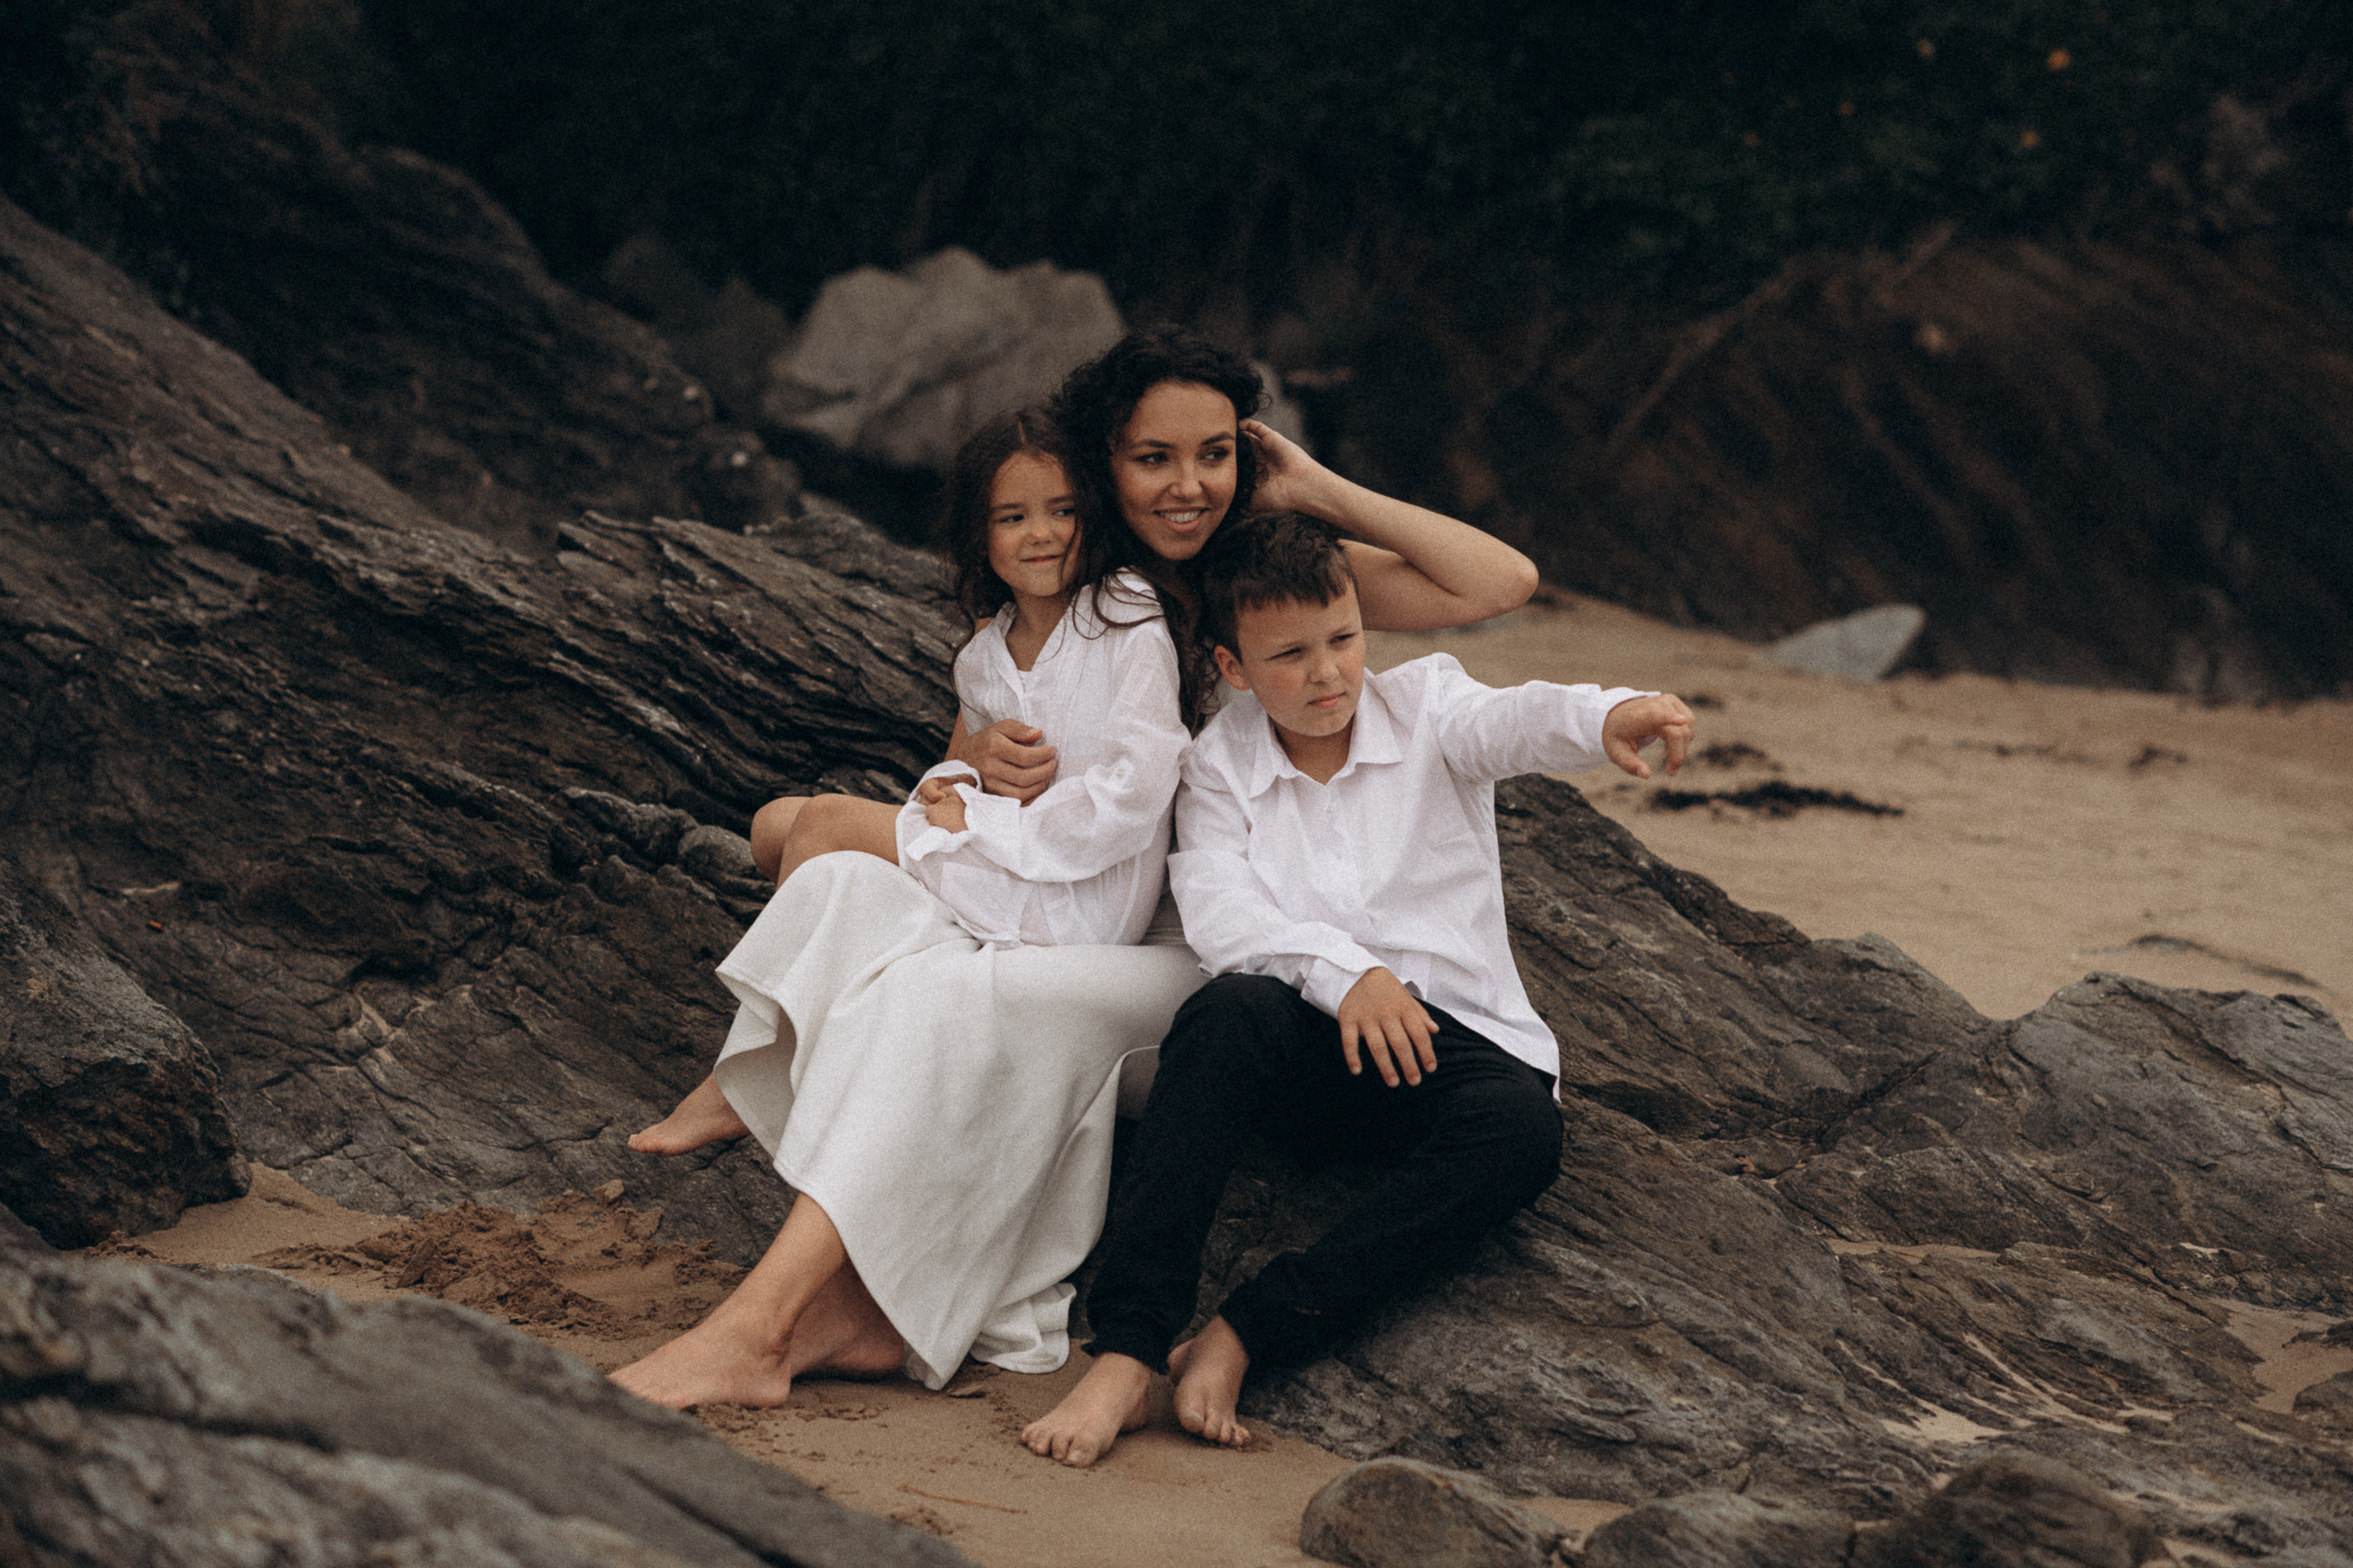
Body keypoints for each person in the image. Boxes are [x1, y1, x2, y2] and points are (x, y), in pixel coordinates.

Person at [614, 327, 1541, 1411]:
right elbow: (985, 734)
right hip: (1076, 897)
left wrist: (1314, 484)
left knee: (964, 994)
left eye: (1214, 453)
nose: (1188, 485)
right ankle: (851, 1302)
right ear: (1103, 461)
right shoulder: (1068, 579)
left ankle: (756, 1328)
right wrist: (976, 758)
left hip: (1209, 944)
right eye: (1154, 457)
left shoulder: (1269, 572)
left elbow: (1500, 579)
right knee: (842, 883)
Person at [1020, 512, 1696, 1466]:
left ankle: (1246, 1332)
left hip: (1447, 1051)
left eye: (1342, 638)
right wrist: (1350, 975)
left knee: (1522, 1128)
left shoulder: (1426, 708)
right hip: (1306, 1050)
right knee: (1223, 1010)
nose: (1328, 671)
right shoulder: (1216, 767)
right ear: (1236, 665)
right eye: (1289, 654)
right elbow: (1222, 915)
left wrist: (1608, 714)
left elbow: (1515, 717)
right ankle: (1127, 1350)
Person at [609, 407, 1189, 1406]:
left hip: (1083, 906)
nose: (1043, 533)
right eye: (1014, 517)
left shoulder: (1128, 617)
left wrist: (972, 828)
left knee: (818, 823)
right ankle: (757, 1058)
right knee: (825, 862)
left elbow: (1132, 798)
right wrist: (958, 784)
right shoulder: (987, 651)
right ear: (978, 539)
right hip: (1006, 885)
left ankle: (762, 1104)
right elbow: (953, 769)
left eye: (1062, 510)